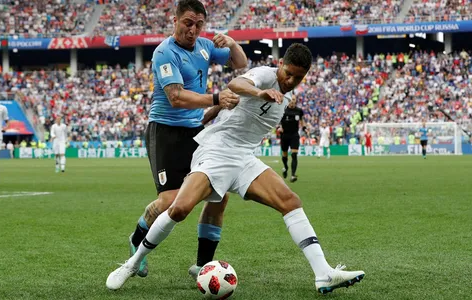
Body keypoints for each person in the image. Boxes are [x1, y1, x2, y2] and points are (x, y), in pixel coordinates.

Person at [107, 43, 365, 295]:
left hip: (244, 157)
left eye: (298, 77)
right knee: (179, 208)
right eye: (288, 74)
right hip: (217, 150)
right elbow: (236, 85)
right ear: (281, 65)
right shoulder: (265, 75)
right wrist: (259, 93)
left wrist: (211, 113)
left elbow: (233, 101)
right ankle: (131, 263)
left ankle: (324, 274)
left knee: (290, 201)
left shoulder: (286, 98)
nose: (290, 81)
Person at [126, 0, 247, 278]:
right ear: (176, 21)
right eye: (188, 23)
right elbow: (176, 97)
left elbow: (240, 63)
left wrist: (232, 42)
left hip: (196, 132)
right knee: (169, 201)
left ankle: (202, 265)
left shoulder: (205, 46)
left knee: (218, 194)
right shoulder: (164, 52)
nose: (193, 30)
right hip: (166, 131)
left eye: (199, 25)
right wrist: (216, 98)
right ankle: (136, 240)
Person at [278, 94, 304, 182]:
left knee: (294, 154)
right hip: (285, 135)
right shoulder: (283, 110)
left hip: (294, 135)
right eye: (291, 99)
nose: (292, 101)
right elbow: (277, 120)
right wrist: (279, 127)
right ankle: (285, 167)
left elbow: (302, 121)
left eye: (294, 99)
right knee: (284, 155)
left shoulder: (299, 111)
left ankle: (293, 175)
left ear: (295, 100)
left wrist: (304, 127)